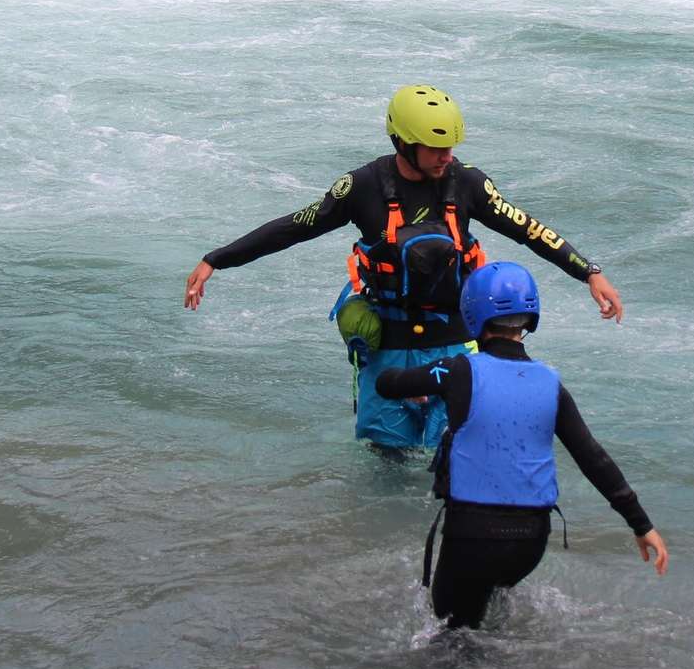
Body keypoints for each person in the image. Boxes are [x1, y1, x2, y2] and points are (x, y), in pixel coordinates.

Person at [184, 85, 624, 450]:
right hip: (386, 346)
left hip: (455, 345)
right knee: (387, 458)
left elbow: (528, 228)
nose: (445, 156)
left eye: (450, 146)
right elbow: (295, 227)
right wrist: (215, 260)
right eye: (434, 148)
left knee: (452, 457)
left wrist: (588, 271)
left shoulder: (468, 184)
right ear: (402, 142)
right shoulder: (361, 187)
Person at [374, 261, 668, 629]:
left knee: (451, 639)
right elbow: (593, 458)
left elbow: (388, 383)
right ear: (530, 317)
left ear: (471, 314)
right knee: (492, 613)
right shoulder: (550, 382)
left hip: (472, 535)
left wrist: (422, 382)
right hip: (531, 542)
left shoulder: (457, 370)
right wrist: (642, 526)